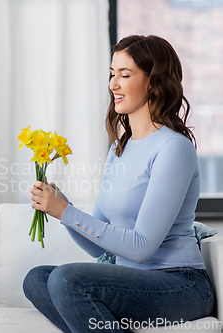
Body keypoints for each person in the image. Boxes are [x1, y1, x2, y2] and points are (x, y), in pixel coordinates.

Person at [23, 35, 214, 332]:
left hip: (179, 284)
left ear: (153, 82)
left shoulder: (174, 149)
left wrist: (65, 212)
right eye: (112, 74)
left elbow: (140, 248)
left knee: (66, 280)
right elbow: (95, 247)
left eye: (125, 75)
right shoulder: (119, 149)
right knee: (37, 279)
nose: (113, 84)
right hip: (133, 283)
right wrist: (63, 208)